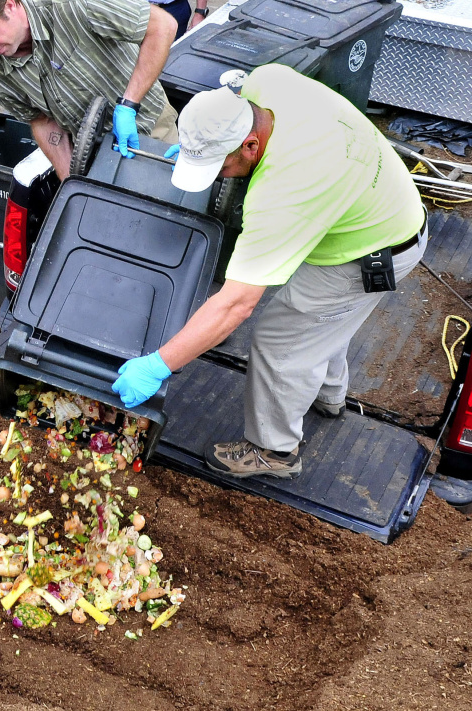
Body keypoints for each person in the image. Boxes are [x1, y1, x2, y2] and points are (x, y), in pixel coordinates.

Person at [112, 66, 428, 480]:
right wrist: (198, 152)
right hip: (371, 205)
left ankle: (274, 451)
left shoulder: (285, 193)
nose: (218, 176)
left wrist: (158, 365)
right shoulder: (265, 83)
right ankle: (329, 396)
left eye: (219, 167)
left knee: (281, 341)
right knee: (320, 320)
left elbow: (236, 305)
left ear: (250, 144)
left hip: (370, 250)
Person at [0, 0, 178, 180]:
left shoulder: (73, 1)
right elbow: (41, 120)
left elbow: (161, 27)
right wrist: (71, 181)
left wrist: (129, 105)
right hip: (92, 152)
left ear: (9, 6)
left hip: (150, 127)